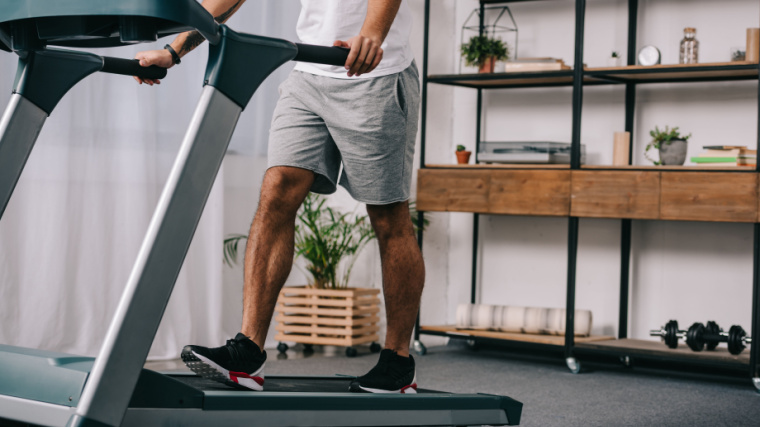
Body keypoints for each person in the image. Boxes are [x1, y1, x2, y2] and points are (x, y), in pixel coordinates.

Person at [136, 0, 423, 394]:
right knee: (276, 191)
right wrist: (173, 51)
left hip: (374, 74)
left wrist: (372, 35)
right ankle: (248, 350)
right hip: (309, 74)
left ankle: (398, 359)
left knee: (388, 217)